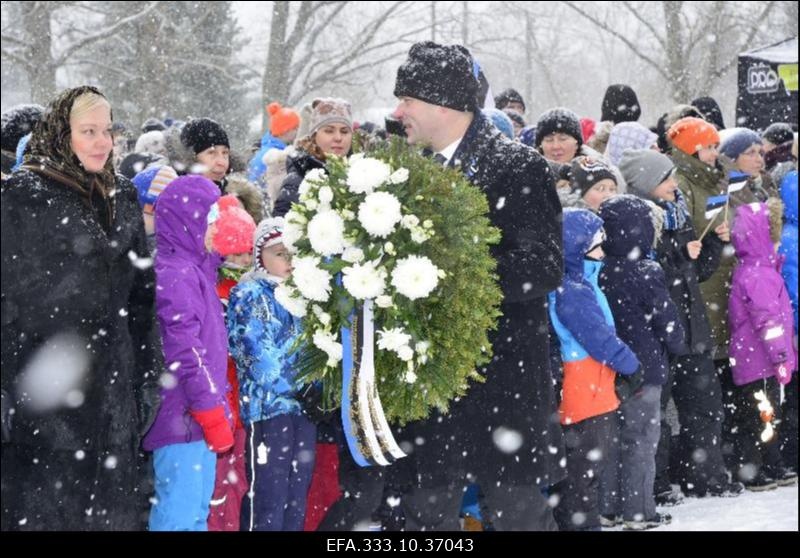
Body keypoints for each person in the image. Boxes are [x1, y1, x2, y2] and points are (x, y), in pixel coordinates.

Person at [388, 41, 564, 531]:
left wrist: (439, 280)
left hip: (502, 381)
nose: (398, 111)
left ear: (443, 104)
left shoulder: (515, 166)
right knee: (426, 517)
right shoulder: (405, 172)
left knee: (517, 514)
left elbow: (542, 265)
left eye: (408, 100)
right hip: (429, 390)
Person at [1, 85, 160, 530]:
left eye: (107, 130)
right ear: (59, 134)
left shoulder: (122, 197)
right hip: (43, 398)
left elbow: (141, 300)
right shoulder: (22, 197)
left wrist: (148, 376)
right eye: (88, 131)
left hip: (114, 398)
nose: (102, 142)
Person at [622, 148, 742, 501]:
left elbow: (698, 273)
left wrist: (713, 246)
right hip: (658, 332)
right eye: (665, 179)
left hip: (691, 329)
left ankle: (706, 477)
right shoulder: (635, 220)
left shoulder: (678, 215)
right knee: (654, 415)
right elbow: (650, 278)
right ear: (646, 184)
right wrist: (677, 255)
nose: (674, 184)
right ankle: (655, 486)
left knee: (704, 407)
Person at [143, 175, 242, 531]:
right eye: (211, 219)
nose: (218, 228)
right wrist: (209, 408)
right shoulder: (175, 274)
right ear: (189, 221)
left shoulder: (199, 271)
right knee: (178, 515)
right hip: (183, 416)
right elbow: (185, 350)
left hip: (196, 417)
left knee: (197, 513)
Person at [548, 208, 642, 531]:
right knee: (582, 476)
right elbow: (598, 337)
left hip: (592, 387)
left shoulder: (579, 283)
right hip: (585, 390)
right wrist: (629, 364)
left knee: (581, 474)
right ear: (577, 249)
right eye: (596, 247)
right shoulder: (572, 291)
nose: (602, 254)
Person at [597, 194, 686, 530]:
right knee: (641, 441)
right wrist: (677, 344)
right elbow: (667, 321)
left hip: (607, 367)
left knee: (611, 441)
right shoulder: (647, 270)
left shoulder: (600, 270)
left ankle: (608, 507)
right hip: (645, 368)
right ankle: (639, 511)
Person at [229, 218, 316, 531]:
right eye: (280, 253)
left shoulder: (306, 295)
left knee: (296, 496)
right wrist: (298, 387)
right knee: (268, 496)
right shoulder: (249, 294)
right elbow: (256, 354)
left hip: (303, 412)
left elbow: (316, 351)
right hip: (267, 411)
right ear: (260, 256)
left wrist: (317, 388)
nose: (288, 261)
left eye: (294, 253)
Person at [729, 200, 797, 490]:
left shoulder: (757, 269)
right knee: (761, 416)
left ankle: (771, 464)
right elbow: (769, 324)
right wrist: (782, 357)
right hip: (761, 361)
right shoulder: (760, 276)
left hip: (755, 359)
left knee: (766, 415)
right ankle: (754, 469)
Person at [273, 98, 353, 217]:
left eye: (344, 131)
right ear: (314, 137)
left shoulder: (362, 173)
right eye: (329, 131)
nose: (338, 137)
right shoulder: (297, 180)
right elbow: (280, 228)